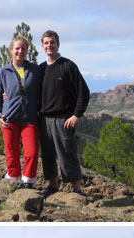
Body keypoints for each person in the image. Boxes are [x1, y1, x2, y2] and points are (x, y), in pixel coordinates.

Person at [38, 30, 90, 197]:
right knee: (48, 155)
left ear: (58, 44)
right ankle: (53, 186)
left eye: (52, 42)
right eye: (46, 43)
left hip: (63, 119)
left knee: (68, 153)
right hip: (44, 119)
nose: (49, 45)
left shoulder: (68, 66)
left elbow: (84, 91)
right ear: (42, 46)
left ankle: (77, 188)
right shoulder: (41, 69)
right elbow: (27, 90)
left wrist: (76, 115)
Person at [0, 35, 42, 186]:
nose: (20, 51)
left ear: (27, 51)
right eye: (17, 48)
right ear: (11, 50)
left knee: (32, 153)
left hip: (30, 118)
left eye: (23, 48)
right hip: (9, 118)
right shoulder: (4, 71)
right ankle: (13, 181)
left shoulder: (35, 69)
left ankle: (28, 182)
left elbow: (42, 90)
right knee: (11, 153)